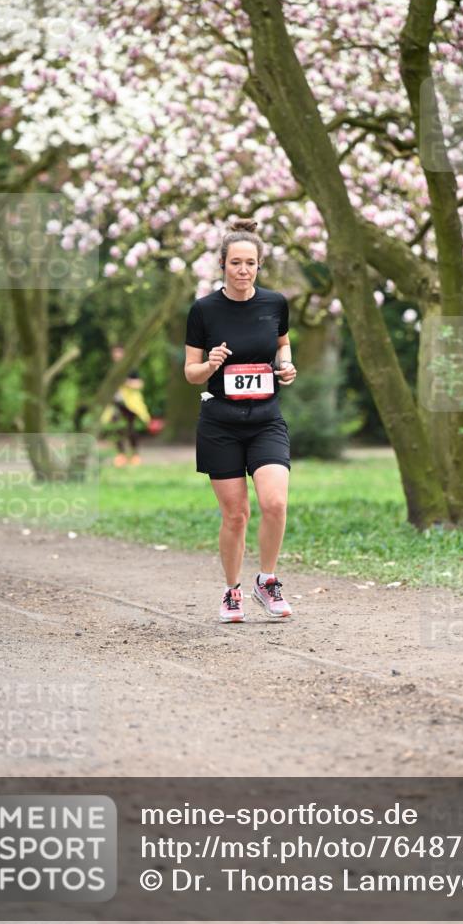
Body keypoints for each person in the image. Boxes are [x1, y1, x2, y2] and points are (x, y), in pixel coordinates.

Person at [184, 218, 297, 623]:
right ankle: (232, 592)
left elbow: (282, 346)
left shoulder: (274, 304)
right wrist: (210, 363)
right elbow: (190, 372)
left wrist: (286, 366)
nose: (243, 270)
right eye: (236, 263)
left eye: (250, 263)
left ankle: (266, 581)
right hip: (221, 423)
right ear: (222, 264)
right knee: (236, 515)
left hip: (266, 418)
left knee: (275, 502)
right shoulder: (204, 310)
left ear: (259, 266)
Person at [100, 345, 151, 465]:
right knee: (116, 428)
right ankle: (121, 454)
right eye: (115, 353)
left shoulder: (131, 369)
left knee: (131, 429)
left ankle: (135, 454)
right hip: (115, 403)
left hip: (130, 404)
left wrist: (125, 382)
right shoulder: (111, 370)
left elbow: (139, 384)